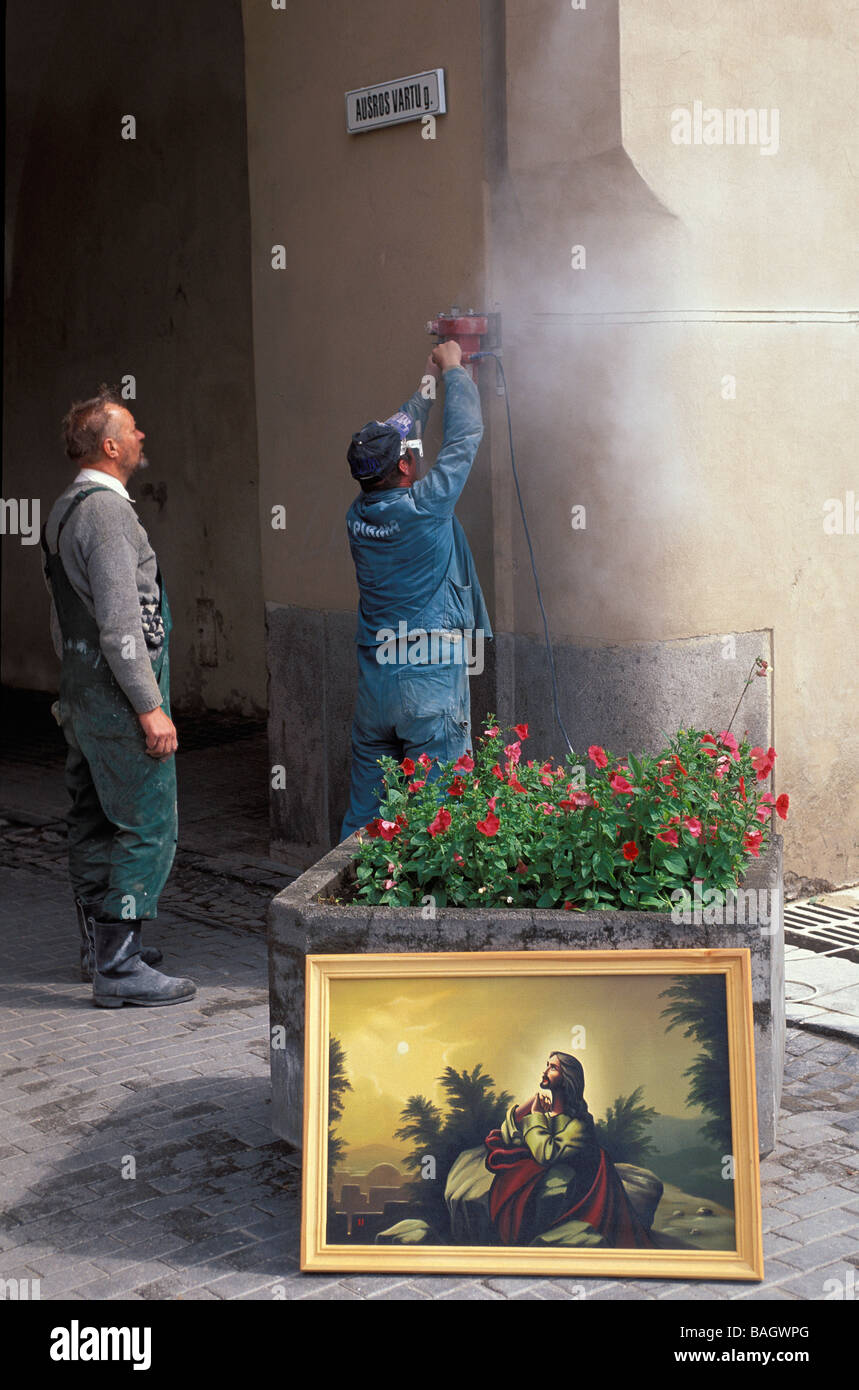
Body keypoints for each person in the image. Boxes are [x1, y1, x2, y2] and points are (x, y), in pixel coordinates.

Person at [41, 385, 195, 1008]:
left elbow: (62, 621)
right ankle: (120, 964)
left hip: (82, 693)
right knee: (147, 822)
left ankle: (99, 945)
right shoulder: (106, 514)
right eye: (132, 429)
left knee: (94, 818)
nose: (141, 437)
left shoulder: (63, 508)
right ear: (108, 445)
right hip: (116, 696)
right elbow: (119, 625)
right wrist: (148, 704)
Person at [339, 340, 491, 839]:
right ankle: (434, 912)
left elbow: (397, 429)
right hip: (428, 682)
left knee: (366, 816)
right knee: (441, 815)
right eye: (412, 453)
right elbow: (466, 436)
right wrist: (457, 375)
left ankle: (342, 906)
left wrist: (431, 380)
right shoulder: (425, 508)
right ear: (404, 467)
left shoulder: (357, 516)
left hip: (376, 688)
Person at [484, 1051, 655, 1247]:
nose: (545, 1071)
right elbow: (508, 1137)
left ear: (567, 1080)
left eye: (553, 1068)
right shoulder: (547, 1116)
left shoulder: (578, 1125)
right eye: (547, 1065)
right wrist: (528, 1107)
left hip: (571, 1199)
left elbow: (545, 1153)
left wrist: (535, 1116)